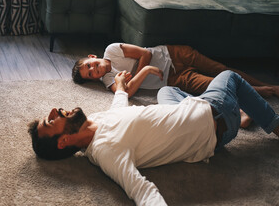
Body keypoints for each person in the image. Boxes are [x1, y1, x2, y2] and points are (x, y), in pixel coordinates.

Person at [28, 70, 279, 206]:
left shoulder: (94, 121)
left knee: (167, 90)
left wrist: (121, 86)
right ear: (63, 141)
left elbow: (119, 111)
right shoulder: (107, 152)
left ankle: (246, 114)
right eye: (52, 120)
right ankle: (271, 122)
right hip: (216, 117)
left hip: (192, 110)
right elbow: (141, 190)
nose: (55, 110)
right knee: (230, 77)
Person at [72, 43, 279, 128]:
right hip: (173, 79)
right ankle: (264, 93)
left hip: (174, 54)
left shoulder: (111, 50)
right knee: (216, 84)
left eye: (90, 65)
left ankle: (265, 86)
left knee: (221, 69)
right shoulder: (109, 81)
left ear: (92, 57)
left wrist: (134, 75)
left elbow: (146, 53)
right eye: (90, 74)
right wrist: (138, 76)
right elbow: (129, 93)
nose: (94, 69)